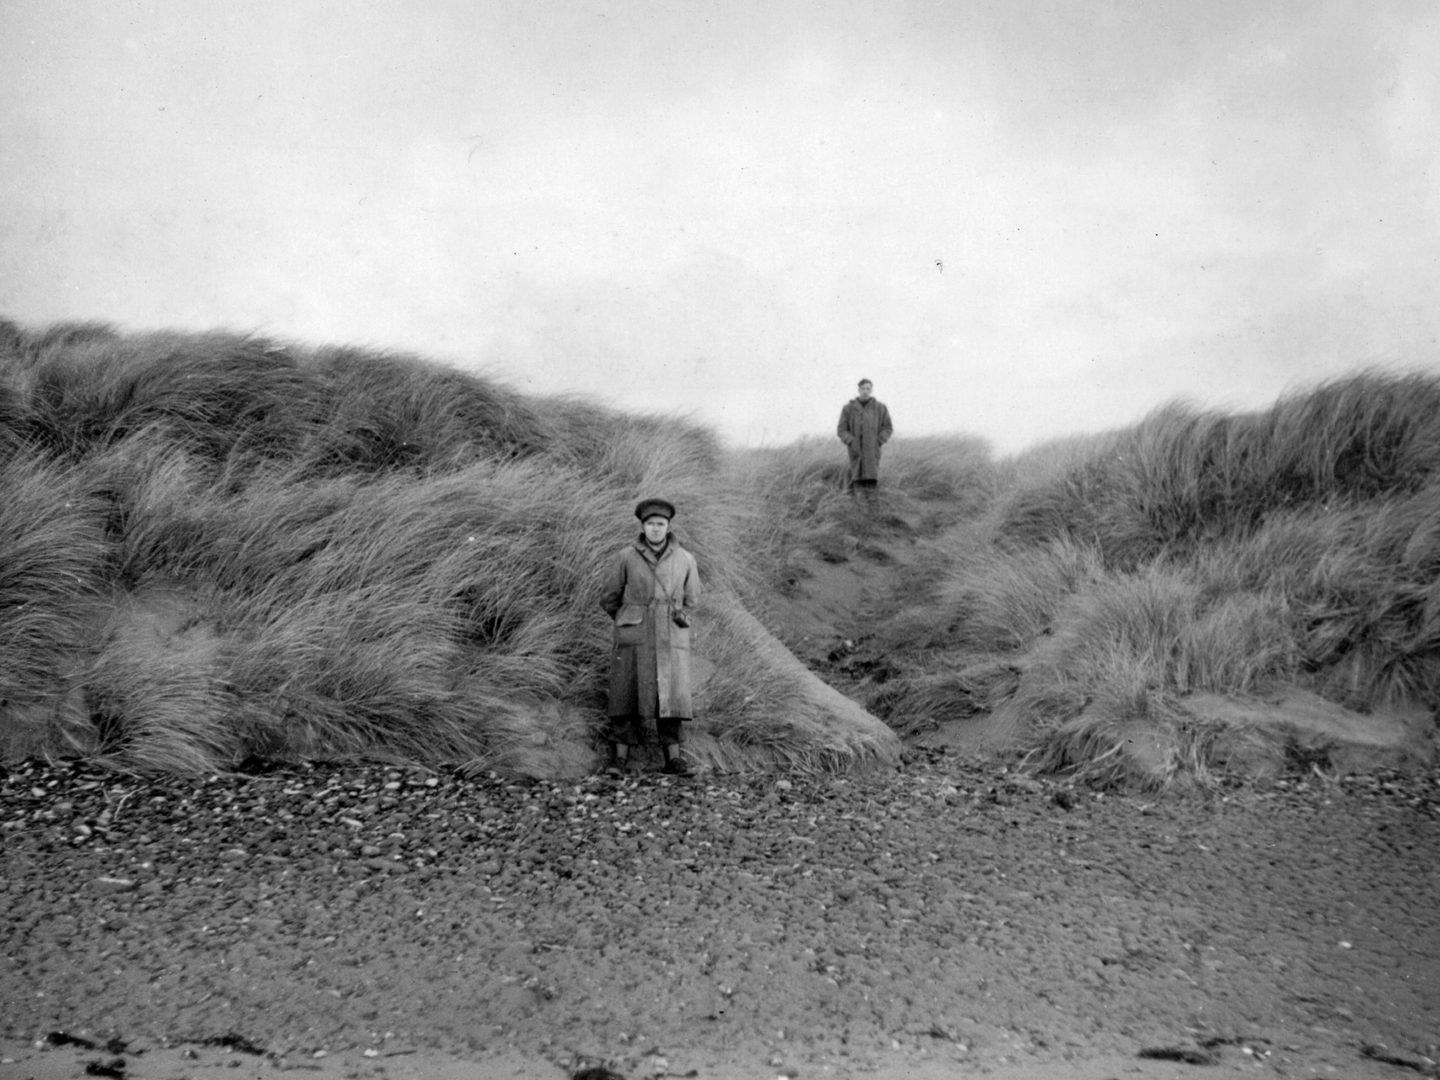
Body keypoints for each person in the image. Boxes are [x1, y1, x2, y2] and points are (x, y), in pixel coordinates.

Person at [599, 497, 701, 777]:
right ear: (642, 526)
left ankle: (674, 760)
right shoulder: (625, 557)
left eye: (660, 524)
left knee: (671, 698)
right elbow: (609, 597)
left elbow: (692, 599)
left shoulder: (685, 559)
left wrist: (671, 615)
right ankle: (618, 760)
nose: (655, 529)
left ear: (668, 526)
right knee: (626, 694)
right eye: (650, 524)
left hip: (671, 636)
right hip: (635, 637)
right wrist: (630, 619)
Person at [836, 378, 893, 501]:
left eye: (868, 388)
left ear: (871, 390)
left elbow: (888, 427)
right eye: (863, 388)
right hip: (856, 451)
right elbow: (841, 429)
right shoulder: (848, 409)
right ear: (858, 390)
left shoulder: (880, 407)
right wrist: (851, 441)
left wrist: (878, 441)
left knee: (872, 482)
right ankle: (859, 511)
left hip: (873, 451)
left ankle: (872, 512)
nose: (865, 391)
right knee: (857, 480)